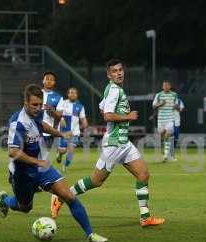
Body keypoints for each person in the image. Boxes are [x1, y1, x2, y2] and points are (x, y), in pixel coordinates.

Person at [50, 59, 165, 228]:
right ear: (109, 75)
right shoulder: (114, 91)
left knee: (143, 175)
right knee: (96, 181)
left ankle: (145, 217)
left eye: (120, 70)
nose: (119, 73)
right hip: (114, 144)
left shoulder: (112, 89)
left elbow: (102, 107)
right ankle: (60, 197)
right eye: (115, 71)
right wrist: (128, 116)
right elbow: (107, 115)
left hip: (124, 143)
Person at [0, 84, 107, 242]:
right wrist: (36, 161)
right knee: (25, 207)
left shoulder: (37, 113)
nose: (37, 108)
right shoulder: (18, 122)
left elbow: (43, 125)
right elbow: (13, 152)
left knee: (69, 196)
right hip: (22, 173)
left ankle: (91, 235)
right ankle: (5, 201)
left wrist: (61, 134)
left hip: (43, 168)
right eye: (34, 105)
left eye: (39, 105)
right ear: (25, 102)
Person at [55, 87, 88, 172]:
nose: (72, 94)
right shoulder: (62, 103)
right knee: (63, 150)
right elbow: (57, 114)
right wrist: (61, 119)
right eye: (70, 92)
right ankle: (60, 154)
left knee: (71, 151)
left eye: (74, 93)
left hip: (74, 133)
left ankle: (65, 166)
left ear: (77, 95)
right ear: (67, 94)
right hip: (63, 132)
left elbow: (84, 122)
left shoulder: (80, 107)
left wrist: (80, 127)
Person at [153, 80, 178, 162]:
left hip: (170, 119)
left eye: (167, 85)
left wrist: (175, 106)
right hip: (161, 120)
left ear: (170, 86)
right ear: (162, 86)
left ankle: (166, 155)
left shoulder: (174, 95)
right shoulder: (159, 95)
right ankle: (163, 149)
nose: (165, 87)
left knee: (168, 134)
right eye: (164, 85)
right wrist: (161, 104)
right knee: (162, 136)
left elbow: (177, 106)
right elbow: (154, 106)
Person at [41, 71, 63, 148]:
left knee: (44, 156)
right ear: (43, 81)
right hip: (35, 129)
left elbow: (60, 115)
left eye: (52, 80)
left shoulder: (58, 97)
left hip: (50, 131)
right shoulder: (36, 93)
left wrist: (52, 110)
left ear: (54, 82)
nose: (49, 81)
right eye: (47, 79)